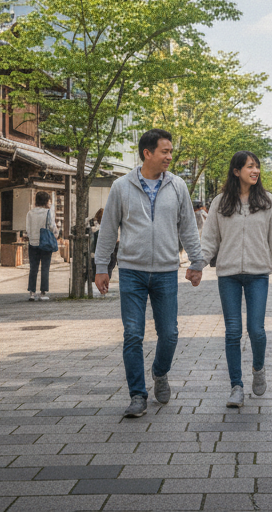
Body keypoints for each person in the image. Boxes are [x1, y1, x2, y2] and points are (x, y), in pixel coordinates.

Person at [94, 129, 204, 418]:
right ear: (147, 153)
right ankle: (137, 395)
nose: (169, 157)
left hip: (166, 271)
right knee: (133, 334)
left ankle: (160, 372)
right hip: (132, 271)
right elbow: (108, 231)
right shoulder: (121, 186)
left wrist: (196, 262)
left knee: (169, 334)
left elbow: (188, 228)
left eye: (170, 151)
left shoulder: (178, 186)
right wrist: (101, 267)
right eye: (165, 152)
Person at [201, 151, 272, 408]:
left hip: (257, 274)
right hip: (228, 274)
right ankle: (236, 386)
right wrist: (197, 265)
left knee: (256, 329)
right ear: (236, 171)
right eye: (250, 167)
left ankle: (258, 368)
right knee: (232, 331)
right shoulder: (220, 202)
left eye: (257, 167)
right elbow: (209, 241)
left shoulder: (266, 201)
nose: (255, 171)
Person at [23, 191, 59, 301]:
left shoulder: (30, 213)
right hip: (45, 243)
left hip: (33, 243)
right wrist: (56, 233)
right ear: (46, 201)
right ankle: (43, 292)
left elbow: (28, 229)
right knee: (45, 267)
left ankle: (32, 293)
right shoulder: (48, 212)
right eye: (49, 200)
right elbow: (52, 226)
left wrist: (31, 236)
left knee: (33, 268)